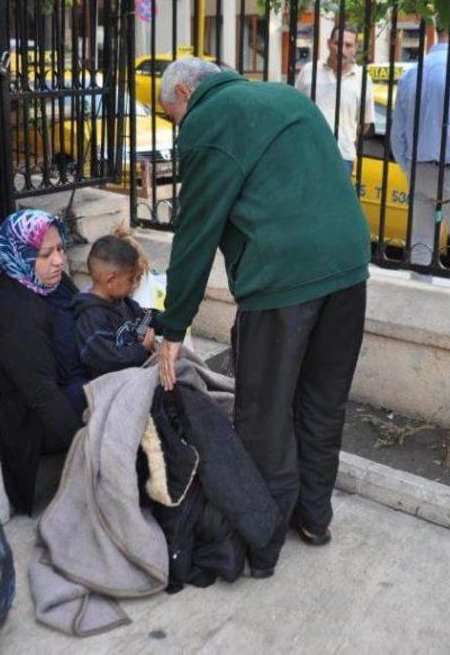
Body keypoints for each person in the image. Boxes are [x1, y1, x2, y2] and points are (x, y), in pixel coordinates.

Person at [156, 58, 370, 577]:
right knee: (322, 402)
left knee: (264, 412)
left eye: (173, 115)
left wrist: (172, 328)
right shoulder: (287, 98)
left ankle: (262, 540)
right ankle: (314, 519)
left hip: (281, 282)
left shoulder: (209, 120)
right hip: (348, 268)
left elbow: (195, 233)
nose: (179, 129)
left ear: (185, 91)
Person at [0, 209, 84, 514]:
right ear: (20, 254)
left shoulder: (48, 283)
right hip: (39, 425)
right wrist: (88, 452)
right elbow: (42, 395)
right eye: (45, 254)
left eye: (59, 249)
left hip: (69, 383)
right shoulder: (15, 311)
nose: (59, 260)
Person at [390, 19, 450, 269]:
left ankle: (418, 302)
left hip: (419, 167)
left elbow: (397, 132)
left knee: (420, 246)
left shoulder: (413, 72)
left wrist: (409, 166)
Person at [74, 234, 163, 378]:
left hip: (135, 373)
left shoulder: (121, 301)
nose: (134, 284)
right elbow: (108, 361)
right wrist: (142, 349)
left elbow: (145, 318)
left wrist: (169, 319)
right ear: (110, 280)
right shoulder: (91, 318)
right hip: (114, 386)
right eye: (130, 279)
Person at [296, 23, 374, 177]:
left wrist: (345, 137)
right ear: (328, 43)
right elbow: (295, 108)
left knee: (334, 201)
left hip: (342, 157)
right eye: (338, 43)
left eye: (348, 45)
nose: (343, 49)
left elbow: (364, 123)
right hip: (308, 152)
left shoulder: (363, 79)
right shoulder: (309, 71)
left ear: (355, 47)